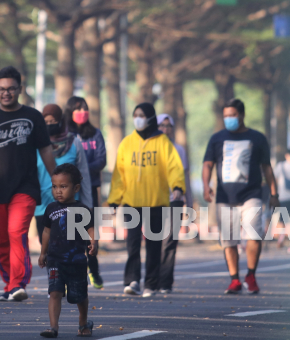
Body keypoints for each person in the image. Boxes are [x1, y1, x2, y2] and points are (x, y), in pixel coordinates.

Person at [0, 66, 56, 302]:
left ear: (19, 89)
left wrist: (56, 178)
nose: (6, 93)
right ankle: (9, 283)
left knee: (17, 232)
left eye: (11, 89)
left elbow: (45, 148)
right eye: (1, 89)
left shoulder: (33, 116)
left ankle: (18, 283)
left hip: (24, 187)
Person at [202, 98, 279, 295]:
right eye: (226, 115)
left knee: (254, 234)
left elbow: (267, 168)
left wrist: (273, 193)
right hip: (225, 197)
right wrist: (206, 185)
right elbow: (208, 164)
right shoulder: (217, 139)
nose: (229, 119)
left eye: (232, 115)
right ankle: (234, 279)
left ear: (242, 115)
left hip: (251, 194)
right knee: (229, 240)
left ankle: (251, 275)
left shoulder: (257, 138)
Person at [108, 103, 185, 297]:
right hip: (132, 202)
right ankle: (132, 281)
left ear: (150, 118)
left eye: (142, 115)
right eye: (135, 115)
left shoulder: (162, 142)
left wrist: (177, 186)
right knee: (132, 243)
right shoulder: (127, 143)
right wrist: (114, 200)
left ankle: (151, 283)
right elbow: (119, 174)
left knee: (153, 245)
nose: (138, 119)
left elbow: (174, 166)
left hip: (156, 202)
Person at [38, 163, 97, 338]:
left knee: (78, 295)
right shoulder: (50, 209)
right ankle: (53, 327)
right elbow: (47, 231)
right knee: (54, 292)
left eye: (63, 186)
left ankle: (83, 322)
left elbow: (91, 228)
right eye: (55, 186)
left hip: (77, 261)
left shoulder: (83, 209)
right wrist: (43, 252)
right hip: (55, 259)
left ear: (76, 187)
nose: (58, 191)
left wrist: (94, 242)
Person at [34, 104, 93, 242]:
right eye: (46, 122)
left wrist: (88, 205)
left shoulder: (74, 143)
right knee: (48, 249)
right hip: (43, 207)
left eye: (53, 122)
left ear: (61, 122)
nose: (49, 125)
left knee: (70, 249)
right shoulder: (36, 144)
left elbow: (84, 176)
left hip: (71, 206)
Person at [65, 96, 106, 289]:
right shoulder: (66, 135)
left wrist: (80, 169)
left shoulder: (95, 134)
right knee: (69, 235)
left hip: (90, 189)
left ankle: (94, 269)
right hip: (69, 192)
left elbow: (101, 160)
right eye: (78, 108)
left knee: (89, 233)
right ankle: (69, 274)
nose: (82, 112)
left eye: (85, 108)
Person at [157, 114, 194, 293]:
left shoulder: (179, 150)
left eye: (168, 125)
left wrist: (190, 201)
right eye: (161, 125)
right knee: (154, 241)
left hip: (175, 201)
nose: (165, 129)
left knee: (170, 241)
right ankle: (153, 280)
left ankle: (165, 282)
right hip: (154, 201)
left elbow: (186, 177)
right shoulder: (151, 148)